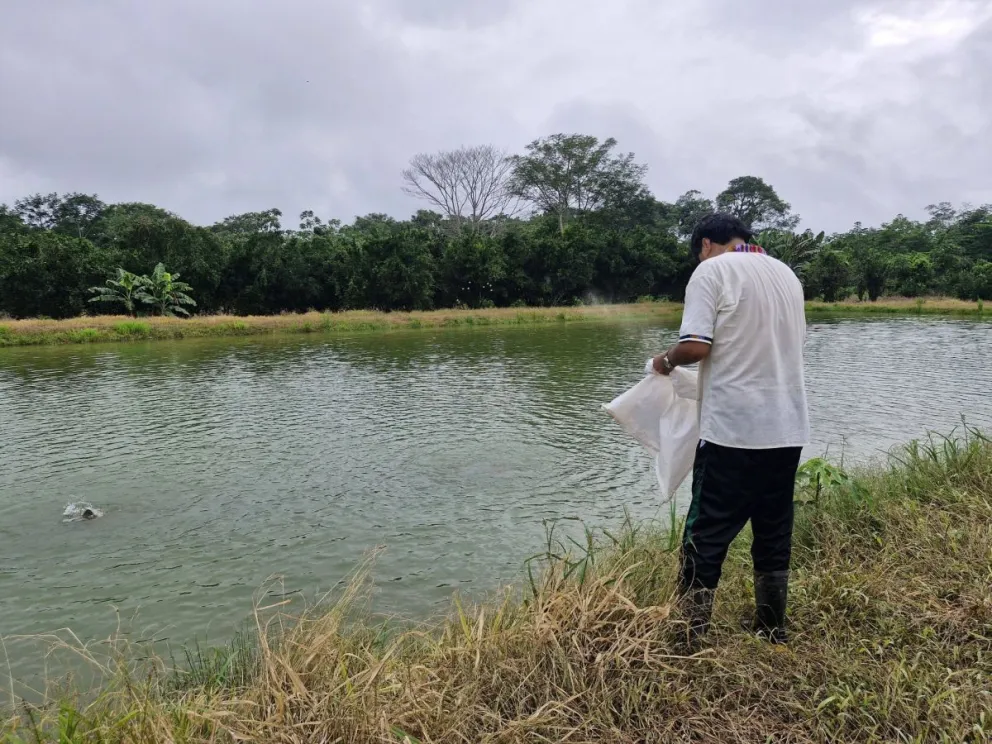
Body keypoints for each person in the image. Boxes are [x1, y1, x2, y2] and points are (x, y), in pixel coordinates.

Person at [653, 213, 809, 648]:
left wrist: (665, 361)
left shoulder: (712, 270)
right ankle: (772, 628)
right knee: (773, 528)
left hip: (733, 431)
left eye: (698, 252)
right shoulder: (786, 274)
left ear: (706, 244)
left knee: (705, 532)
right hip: (788, 427)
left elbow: (695, 346)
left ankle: (688, 636)